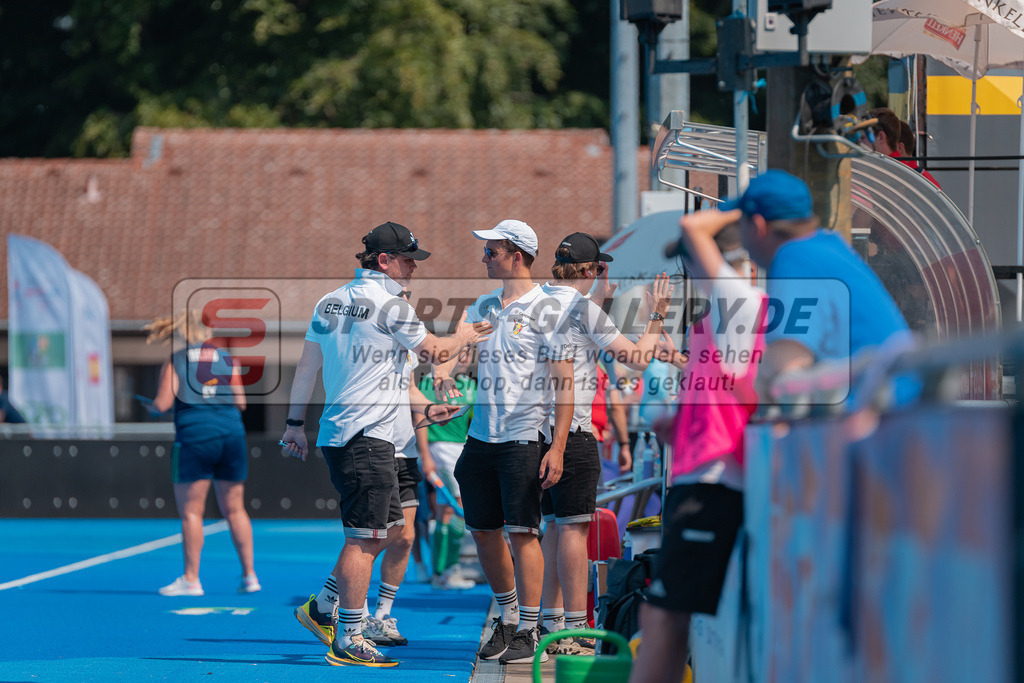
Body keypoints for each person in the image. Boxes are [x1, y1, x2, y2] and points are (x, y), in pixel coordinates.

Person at [282, 221, 486, 668]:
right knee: (367, 538)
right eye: (408, 258)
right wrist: (465, 337)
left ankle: (322, 607)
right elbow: (434, 351)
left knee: (392, 531)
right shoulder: (391, 305)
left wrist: (295, 422)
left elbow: (307, 368)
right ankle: (350, 636)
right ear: (384, 261)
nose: (413, 266)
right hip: (367, 437)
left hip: (346, 432)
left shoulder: (329, 300)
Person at [629, 210, 764, 683]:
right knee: (664, 616)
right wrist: (680, 423)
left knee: (663, 617)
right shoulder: (717, 316)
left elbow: (695, 231)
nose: (689, 270)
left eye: (692, 260)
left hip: (714, 480)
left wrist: (743, 204)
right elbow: (728, 390)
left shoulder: (740, 304)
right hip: (702, 472)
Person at [433, 219, 575, 665]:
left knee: (522, 534)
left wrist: (557, 447)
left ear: (516, 255)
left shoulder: (547, 308)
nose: (484, 257)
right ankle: (509, 616)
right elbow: (455, 349)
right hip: (480, 436)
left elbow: (565, 384)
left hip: (523, 437)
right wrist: (444, 377)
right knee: (482, 531)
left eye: (491, 251)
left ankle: (531, 628)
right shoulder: (483, 304)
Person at [536, 232, 674, 656]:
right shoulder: (581, 309)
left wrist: (602, 300)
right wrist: (658, 316)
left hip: (534, 432)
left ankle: (547, 621)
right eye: (598, 268)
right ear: (587, 270)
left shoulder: (538, 300)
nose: (602, 274)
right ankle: (576, 628)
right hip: (571, 433)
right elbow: (636, 358)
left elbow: (575, 337)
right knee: (575, 528)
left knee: (554, 528)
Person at [733, 170, 914, 402]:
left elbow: (786, 363)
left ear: (757, 226)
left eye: (741, 224)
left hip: (882, 416)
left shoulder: (795, 257)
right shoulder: (827, 246)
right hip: (896, 406)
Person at [144, 310, 260, 597]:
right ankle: (249, 575)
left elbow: (162, 402)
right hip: (230, 435)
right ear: (208, 333)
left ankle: (192, 579)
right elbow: (241, 402)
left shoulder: (176, 360)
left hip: (196, 436)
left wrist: (153, 407)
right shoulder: (226, 359)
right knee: (235, 509)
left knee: (192, 512)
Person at [417, 348, 478, 590]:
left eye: (468, 354)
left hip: (462, 448)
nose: (464, 358)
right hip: (439, 449)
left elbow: (473, 420)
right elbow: (419, 419)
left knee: (446, 512)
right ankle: (446, 571)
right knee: (457, 508)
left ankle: (440, 574)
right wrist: (425, 456)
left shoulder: (470, 385)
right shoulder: (430, 382)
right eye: (459, 353)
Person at [870, 107, 940, 189]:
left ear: (881, 137)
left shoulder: (881, 175)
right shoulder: (910, 174)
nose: (860, 143)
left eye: (864, 138)